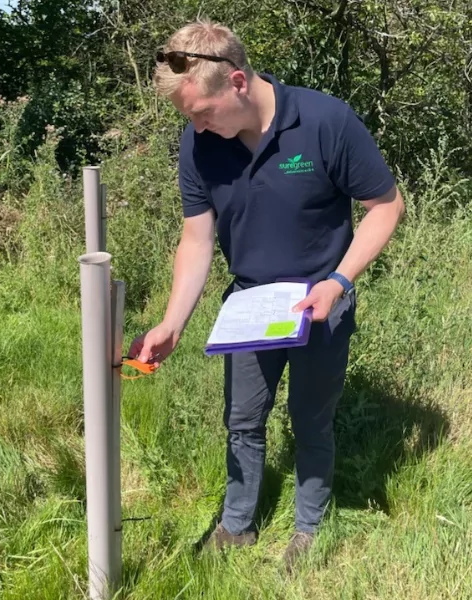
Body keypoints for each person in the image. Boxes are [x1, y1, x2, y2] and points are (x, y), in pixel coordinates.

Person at [128, 19, 405, 572]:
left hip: (322, 303)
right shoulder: (200, 145)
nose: (198, 128)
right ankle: (237, 524)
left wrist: (338, 282)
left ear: (235, 82)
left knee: (310, 419)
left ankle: (309, 527)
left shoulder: (325, 120)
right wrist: (172, 322)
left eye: (201, 113)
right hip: (249, 305)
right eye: (189, 119)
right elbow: (197, 237)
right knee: (243, 420)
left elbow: (386, 206)